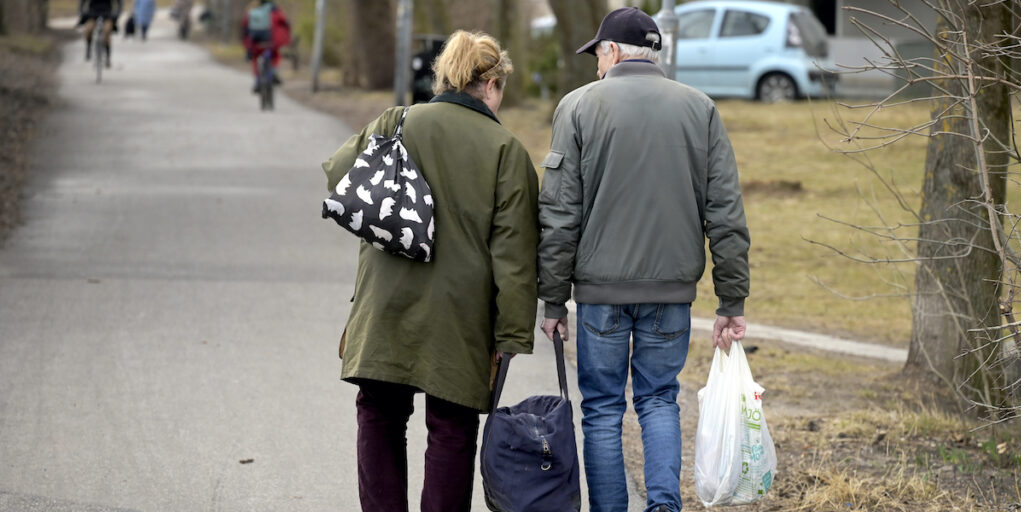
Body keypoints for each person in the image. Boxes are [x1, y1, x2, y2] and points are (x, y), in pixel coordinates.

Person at [537, 7, 750, 512]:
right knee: (659, 400)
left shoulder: (578, 107)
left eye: (597, 54)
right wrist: (731, 297)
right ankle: (662, 506)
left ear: (612, 52)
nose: (595, 66)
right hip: (669, 292)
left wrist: (552, 300)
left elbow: (560, 212)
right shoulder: (700, 109)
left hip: (599, 293)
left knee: (604, 410)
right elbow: (724, 210)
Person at [320, 30, 539, 512]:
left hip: (385, 301)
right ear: (492, 84)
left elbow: (339, 174)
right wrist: (511, 337)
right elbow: (516, 260)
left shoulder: (396, 121)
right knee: (452, 427)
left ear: (444, 77)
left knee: (379, 413)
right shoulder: (507, 153)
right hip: (458, 316)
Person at [242, 0, 291, 93]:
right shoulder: (276, 12)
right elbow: (285, 23)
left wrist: (247, 45)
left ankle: (257, 81)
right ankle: (274, 71)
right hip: (271, 42)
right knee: (276, 54)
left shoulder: (251, 12)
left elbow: (245, 28)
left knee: (256, 58)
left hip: (256, 42)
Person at [78, 0, 121, 66]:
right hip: (92, 14)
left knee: (107, 31)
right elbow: (82, 2)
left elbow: (119, 2)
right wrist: (82, 12)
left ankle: (107, 57)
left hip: (107, 15)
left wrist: (117, 13)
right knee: (88, 29)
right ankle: (88, 48)